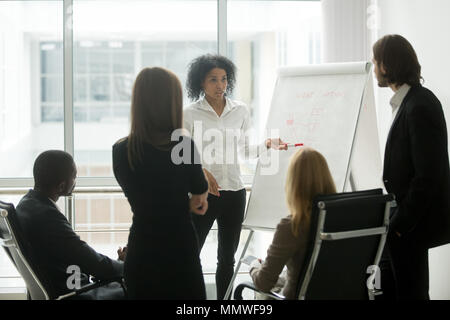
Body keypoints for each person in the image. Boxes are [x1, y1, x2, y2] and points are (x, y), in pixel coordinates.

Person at [184, 54, 287, 299]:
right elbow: (181, 155)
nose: (220, 85)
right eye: (213, 80)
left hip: (234, 192)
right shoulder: (189, 114)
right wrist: (200, 171)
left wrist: (268, 144)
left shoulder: (239, 110)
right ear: (201, 83)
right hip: (204, 194)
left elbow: (245, 151)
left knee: (227, 259)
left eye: (224, 79)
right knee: (191, 254)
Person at [112, 67, 209, 300]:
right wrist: (186, 201)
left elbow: (143, 196)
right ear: (173, 103)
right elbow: (199, 201)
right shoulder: (183, 145)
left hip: (142, 249)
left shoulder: (121, 150)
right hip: (180, 250)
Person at [372, 34, 450, 300]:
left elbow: (427, 175)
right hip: (403, 218)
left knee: (411, 293)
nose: (374, 70)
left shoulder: (419, 105)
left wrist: (400, 224)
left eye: (375, 63)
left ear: (386, 65)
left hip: (411, 223)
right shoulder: (408, 102)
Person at [15, 150, 125, 300]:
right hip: (75, 293)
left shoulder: (26, 205)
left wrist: (117, 263)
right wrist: (129, 266)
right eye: (74, 176)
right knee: (140, 285)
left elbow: (81, 257)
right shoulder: (47, 217)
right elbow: (92, 262)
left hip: (67, 285)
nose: (75, 180)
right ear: (61, 186)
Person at [248, 147, 336, 299]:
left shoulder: (292, 226)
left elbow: (264, 283)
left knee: (262, 293)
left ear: (293, 184)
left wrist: (254, 267)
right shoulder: (345, 219)